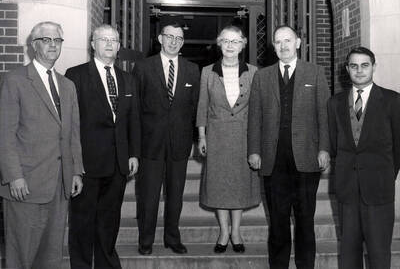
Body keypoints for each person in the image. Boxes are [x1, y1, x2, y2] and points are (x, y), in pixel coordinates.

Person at [0, 21, 84, 269]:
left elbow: (72, 134)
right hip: (25, 185)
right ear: (33, 45)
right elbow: (5, 133)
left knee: (51, 256)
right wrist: (14, 176)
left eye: (57, 40)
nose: (52, 45)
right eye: (46, 40)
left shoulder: (67, 85)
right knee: (22, 256)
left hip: (59, 184)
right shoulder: (15, 80)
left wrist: (76, 170)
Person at [248, 25, 331, 269]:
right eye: (278, 42)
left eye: (288, 40)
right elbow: (255, 117)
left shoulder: (315, 73)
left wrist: (324, 148)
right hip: (273, 160)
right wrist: (254, 150)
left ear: (298, 42)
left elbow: (324, 115)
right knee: (278, 221)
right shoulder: (261, 76)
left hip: (306, 158)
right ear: (273, 46)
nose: (283, 46)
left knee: (305, 220)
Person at [65, 24, 141, 269]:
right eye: (104, 39)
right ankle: (82, 265)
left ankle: (107, 263)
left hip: (118, 163)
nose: (109, 44)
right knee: (82, 222)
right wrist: (74, 165)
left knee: (110, 220)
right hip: (87, 163)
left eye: (114, 40)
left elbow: (133, 120)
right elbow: (70, 124)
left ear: (119, 46)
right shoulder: (75, 75)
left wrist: (133, 154)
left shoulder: (127, 79)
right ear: (92, 44)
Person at [327, 47, 400, 269]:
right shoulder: (335, 103)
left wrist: (385, 174)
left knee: (379, 254)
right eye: (354, 66)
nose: (359, 71)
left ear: (374, 67)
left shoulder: (392, 100)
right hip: (347, 189)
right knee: (349, 255)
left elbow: (398, 146)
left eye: (365, 65)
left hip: (379, 188)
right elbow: (333, 144)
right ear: (347, 69)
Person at [134, 22, 200, 255]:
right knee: (148, 197)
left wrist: (194, 138)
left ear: (182, 43)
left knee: (176, 196)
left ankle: (172, 238)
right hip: (150, 143)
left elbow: (194, 108)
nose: (173, 41)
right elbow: (136, 107)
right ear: (160, 39)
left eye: (179, 38)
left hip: (179, 144)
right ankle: (146, 240)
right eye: (169, 37)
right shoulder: (142, 67)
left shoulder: (192, 70)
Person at [196, 25, 260, 253]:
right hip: (217, 136)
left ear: (243, 44)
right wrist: (202, 136)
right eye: (226, 41)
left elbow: (258, 109)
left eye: (235, 41)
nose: (231, 46)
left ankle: (236, 231)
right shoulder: (207, 72)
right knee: (219, 185)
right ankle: (224, 232)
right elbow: (202, 105)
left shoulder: (254, 72)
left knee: (239, 185)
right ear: (219, 44)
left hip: (244, 136)